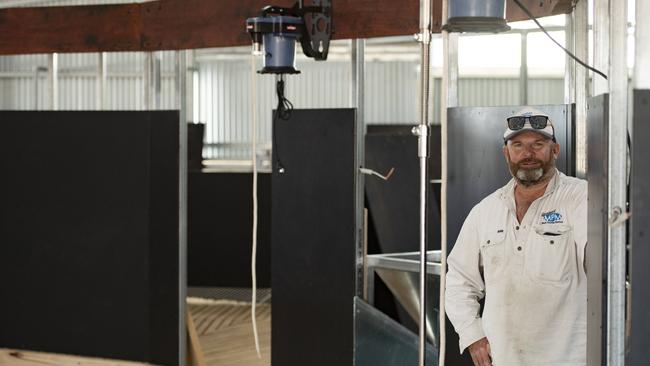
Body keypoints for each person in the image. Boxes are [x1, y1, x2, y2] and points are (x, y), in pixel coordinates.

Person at [445, 107, 587, 366]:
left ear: (554, 150)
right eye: (518, 145)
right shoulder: (485, 211)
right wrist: (472, 335)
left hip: (568, 359)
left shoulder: (580, 198)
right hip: (503, 358)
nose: (528, 153)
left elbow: (596, 259)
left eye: (538, 144)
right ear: (506, 153)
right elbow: (458, 280)